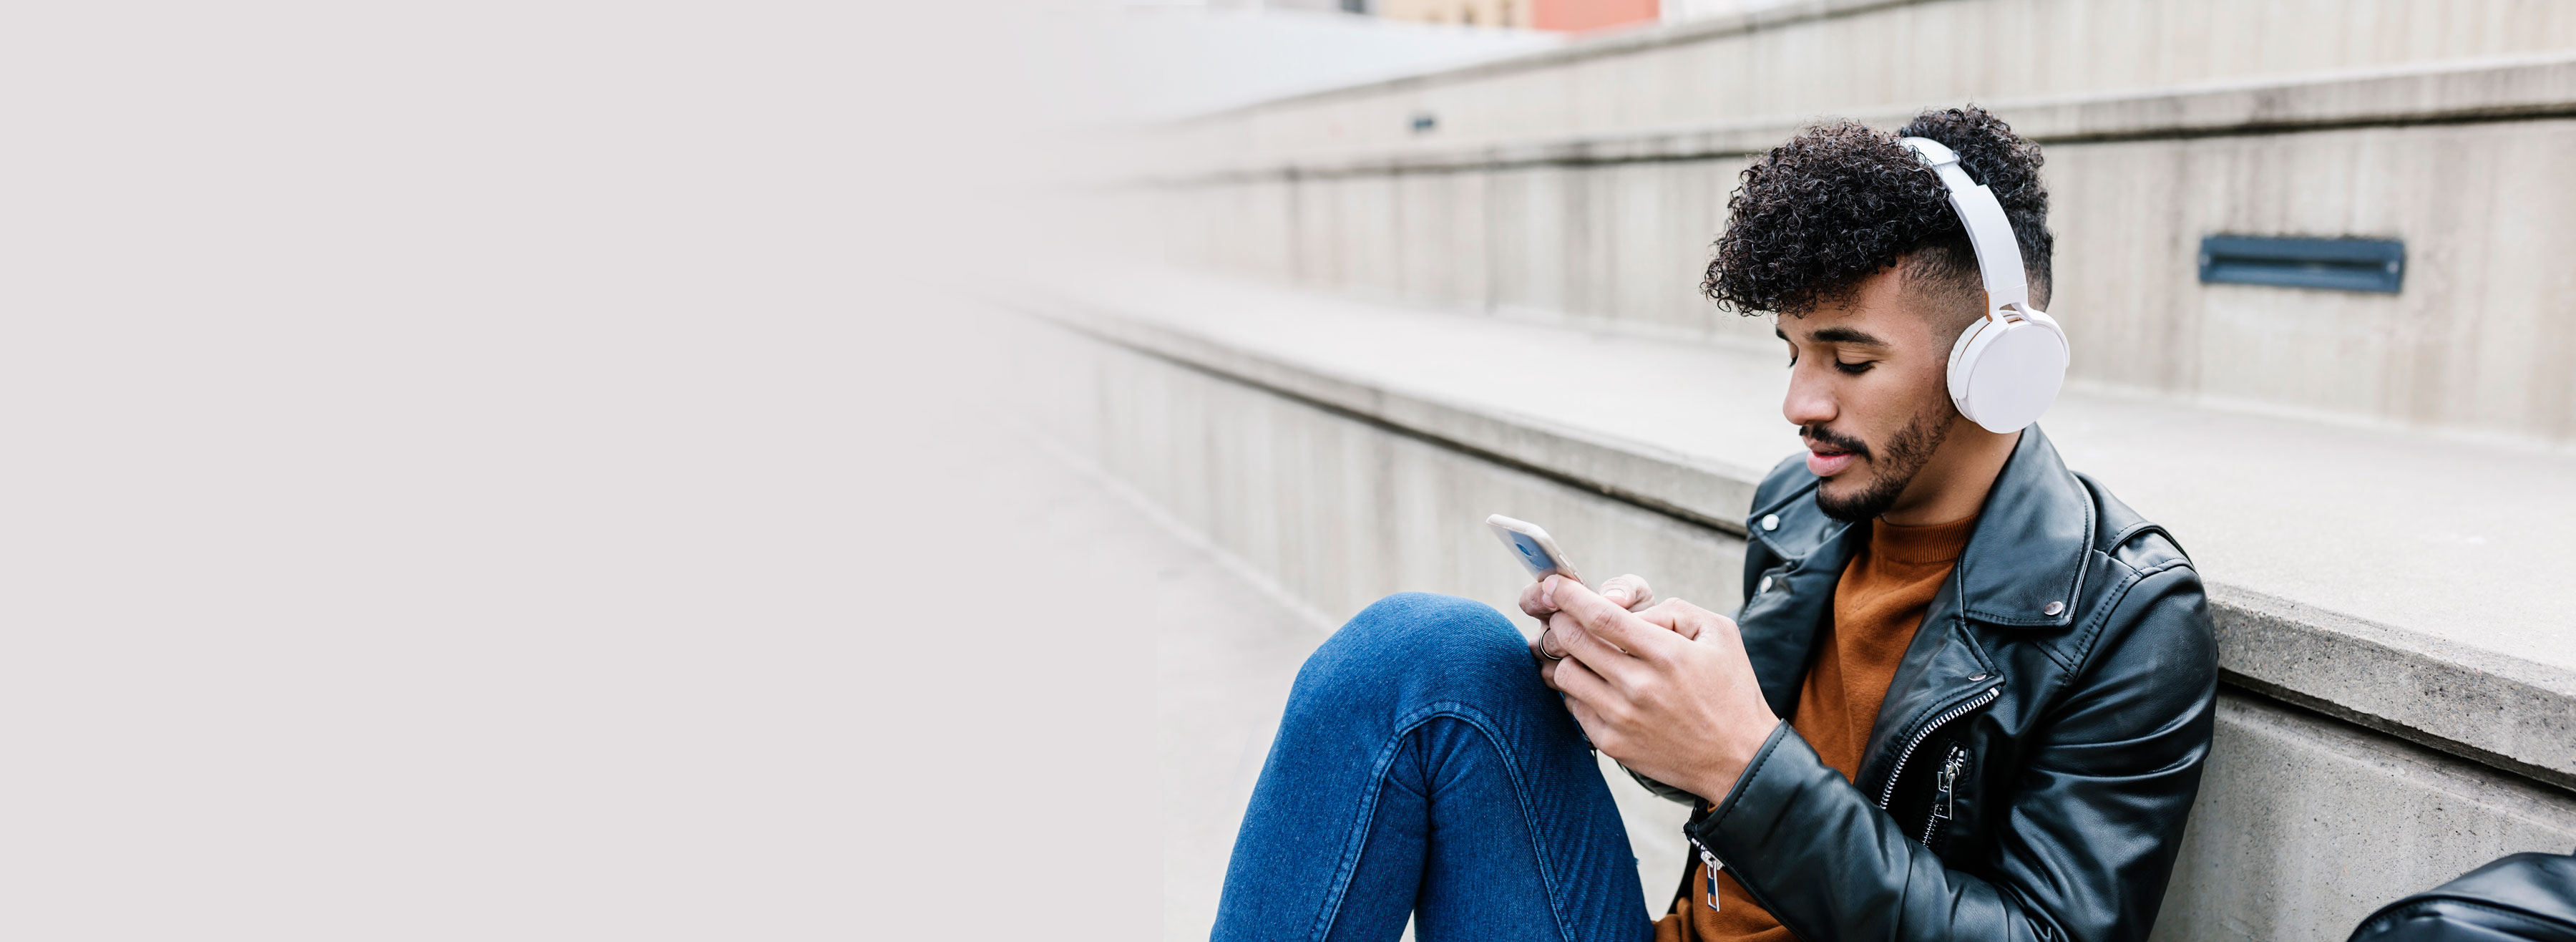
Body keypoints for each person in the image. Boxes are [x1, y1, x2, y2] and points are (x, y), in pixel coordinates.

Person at [1209, 106, 2219, 942]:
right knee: (1426, 659)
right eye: (1790, 353)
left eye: (1849, 360)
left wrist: (1740, 764)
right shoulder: (1803, 512)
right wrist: (1636, 696)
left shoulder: (2122, 616)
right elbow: (1751, 786)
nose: (1800, 404)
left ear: (1998, 368)